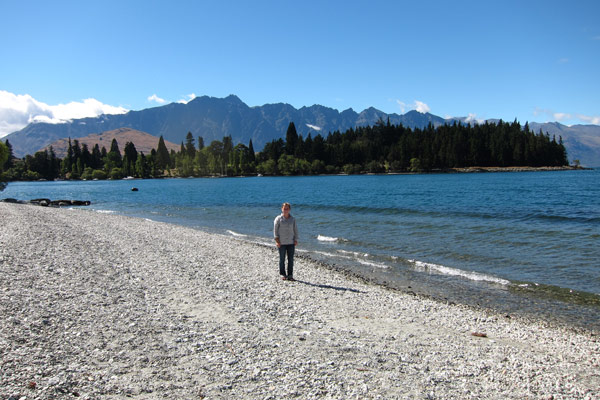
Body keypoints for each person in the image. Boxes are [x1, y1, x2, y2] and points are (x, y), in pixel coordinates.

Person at [273, 202, 299, 281]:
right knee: (282, 259)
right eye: (284, 208)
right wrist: (277, 241)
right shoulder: (278, 219)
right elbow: (275, 231)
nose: (285, 210)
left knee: (290, 259)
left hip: (291, 242)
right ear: (282, 209)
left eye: (287, 209)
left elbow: (295, 230)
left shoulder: (293, 219)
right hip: (282, 242)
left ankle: (290, 275)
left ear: (289, 210)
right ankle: (283, 274)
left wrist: (296, 239)